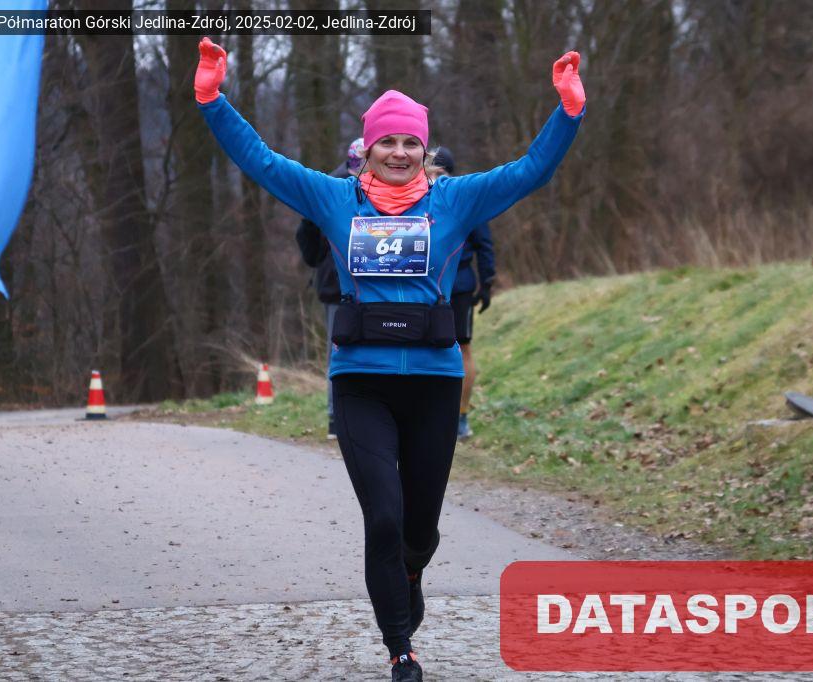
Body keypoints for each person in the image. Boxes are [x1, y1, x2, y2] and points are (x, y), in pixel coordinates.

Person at [194, 37, 585, 681]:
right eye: (387, 143)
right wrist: (212, 99)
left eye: (410, 144)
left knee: (419, 532)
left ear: (423, 151)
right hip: (361, 384)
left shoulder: (455, 200)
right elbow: (261, 161)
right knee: (383, 516)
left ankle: (410, 572)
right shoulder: (335, 199)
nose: (399, 153)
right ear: (367, 148)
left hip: (434, 384)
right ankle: (401, 651)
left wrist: (568, 111)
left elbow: (530, 172)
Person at [295, 138, 364, 439]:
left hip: (361, 281)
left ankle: (359, 416)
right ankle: (337, 417)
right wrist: (319, 261)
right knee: (339, 350)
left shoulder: (380, 185)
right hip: (336, 283)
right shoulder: (332, 188)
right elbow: (306, 233)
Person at [428, 147, 496, 439]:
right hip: (436, 287)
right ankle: (441, 415)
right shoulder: (421, 197)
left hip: (457, 286)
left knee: (458, 349)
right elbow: (486, 245)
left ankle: (460, 416)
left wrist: (487, 282)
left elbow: (484, 243)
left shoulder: (463, 198)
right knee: (446, 350)